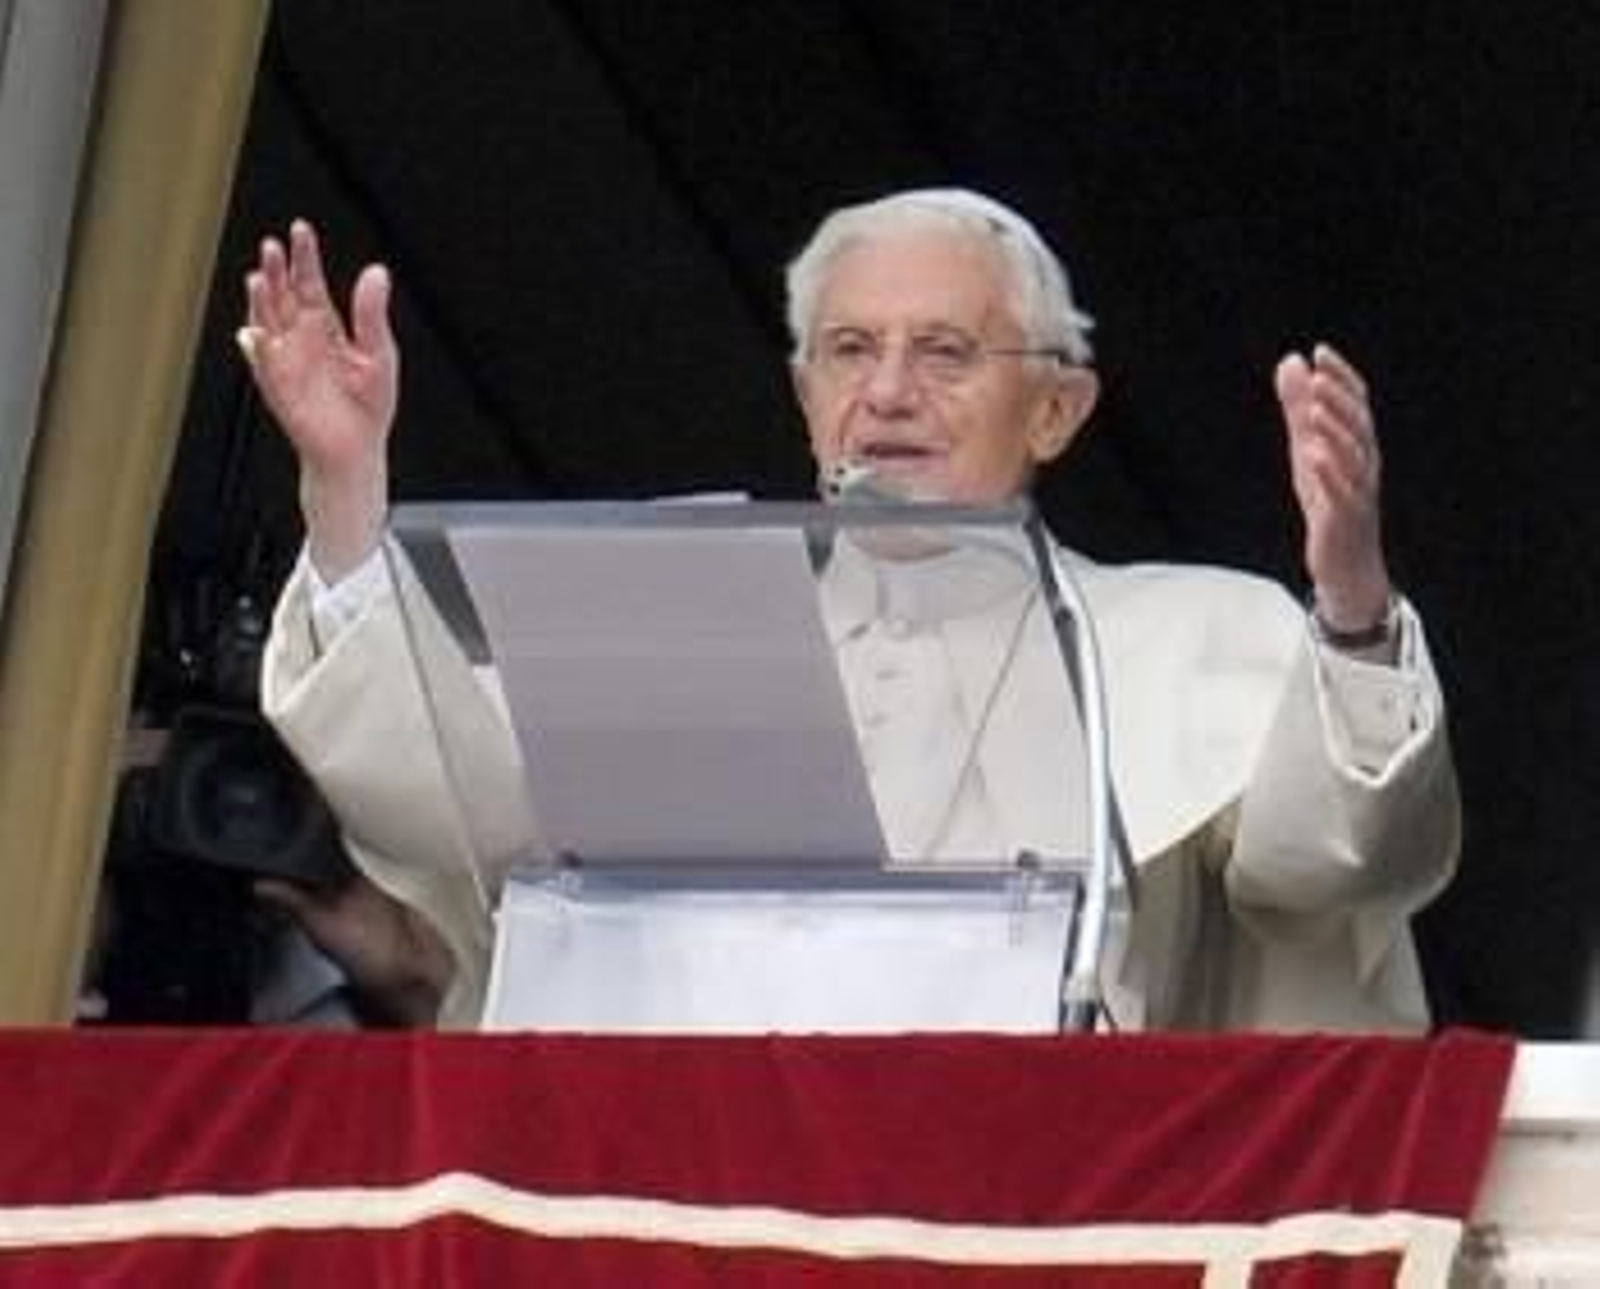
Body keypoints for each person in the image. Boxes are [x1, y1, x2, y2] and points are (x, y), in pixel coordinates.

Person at [239, 187, 1459, 1031]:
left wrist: (1349, 595)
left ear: (1057, 410)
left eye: (943, 352)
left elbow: (1337, 863)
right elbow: (450, 801)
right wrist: (348, 497)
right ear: (802, 389)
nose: (886, 392)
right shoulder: (676, 630)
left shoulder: (1186, 635)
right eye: (848, 348)